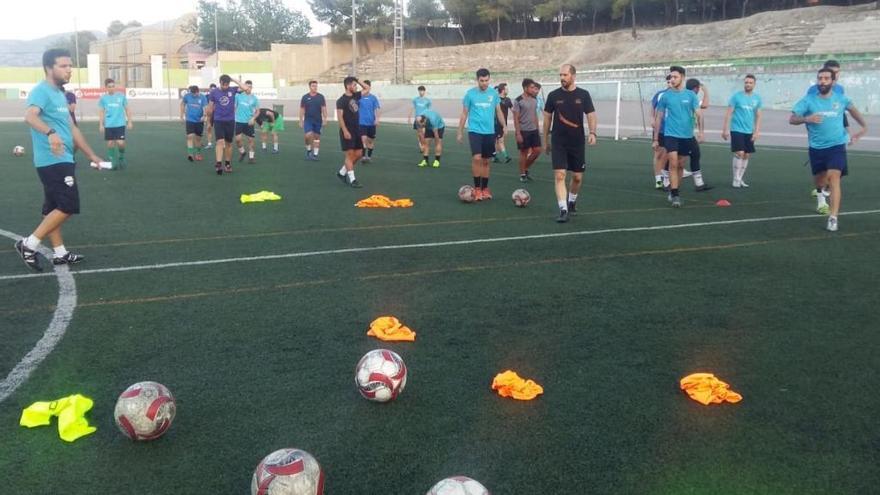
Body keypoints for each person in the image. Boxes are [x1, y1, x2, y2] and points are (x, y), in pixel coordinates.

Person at [14, 48, 104, 271]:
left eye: (70, 66)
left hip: (63, 157)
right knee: (68, 205)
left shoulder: (60, 94)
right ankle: (29, 244)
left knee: (52, 208)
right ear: (49, 68)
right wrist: (50, 133)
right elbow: (29, 116)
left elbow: (71, 127)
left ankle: (60, 253)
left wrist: (91, 155)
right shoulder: (42, 91)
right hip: (51, 159)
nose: (69, 70)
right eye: (63, 66)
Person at [790, 67, 867, 231]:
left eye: (826, 78)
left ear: (833, 81)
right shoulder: (808, 100)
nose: (822, 81)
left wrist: (864, 127)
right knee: (820, 181)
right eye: (820, 78)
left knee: (834, 178)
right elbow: (792, 119)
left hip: (836, 146)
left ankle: (833, 217)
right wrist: (806, 118)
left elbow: (854, 112)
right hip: (816, 148)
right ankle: (820, 194)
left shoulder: (842, 99)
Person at [543, 64, 597, 223]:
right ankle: (563, 209)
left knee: (577, 177)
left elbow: (591, 115)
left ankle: (572, 201)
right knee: (560, 175)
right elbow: (547, 118)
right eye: (560, 75)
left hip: (577, 141)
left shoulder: (584, 95)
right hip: (558, 141)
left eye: (565, 75)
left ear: (573, 76)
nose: (562, 78)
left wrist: (593, 132)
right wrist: (545, 140)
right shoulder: (553, 96)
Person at [653, 66, 702, 208]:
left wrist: (701, 131)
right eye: (671, 77)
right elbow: (659, 117)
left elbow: (699, 113)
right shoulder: (666, 96)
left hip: (686, 136)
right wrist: (656, 138)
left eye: (675, 77)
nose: (672, 79)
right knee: (673, 162)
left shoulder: (691, 95)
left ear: (682, 77)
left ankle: (674, 190)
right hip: (670, 135)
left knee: (680, 164)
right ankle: (675, 195)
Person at [457, 68, 505, 201]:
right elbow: (464, 113)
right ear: (477, 80)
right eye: (482, 81)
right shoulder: (470, 94)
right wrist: (460, 131)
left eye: (486, 80)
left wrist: (504, 125)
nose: (484, 83)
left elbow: (498, 111)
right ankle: (477, 188)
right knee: (477, 158)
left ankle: (485, 189)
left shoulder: (493, 94)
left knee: (486, 161)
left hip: (489, 132)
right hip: (475, 131)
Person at [722, 74, 762, 188]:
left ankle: (740, 178)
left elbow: (759, 116)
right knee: (739, 153)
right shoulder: (736, 97)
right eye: (746, 82)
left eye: (750, 83)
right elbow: (729, 113)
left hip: (749, 130)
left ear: (754, 84)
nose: (748, 84)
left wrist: (757, 131)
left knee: (746, 155)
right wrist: (725, 129)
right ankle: (736, 179)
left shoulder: (757, 99)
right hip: (736, 129)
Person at [207, 74, 241, 174]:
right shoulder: (214, 92)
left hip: (230, 120)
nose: (225, 86)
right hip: (218, 120)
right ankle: (218, 163)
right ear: (220, 82)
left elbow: (246, 89)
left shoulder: (233, 90)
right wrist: (209, 121)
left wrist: (234, 80)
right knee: (219, 142)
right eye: (223, 84)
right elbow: (210, 108)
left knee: (229, 143)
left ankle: (227, 163)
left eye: (227, 84)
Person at [336, 76, 365, 188]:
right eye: (354, 85)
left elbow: (367, 88)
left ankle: (342, 173)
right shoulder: (341, 100)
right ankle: (352, 180)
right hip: (347, 130)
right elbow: (340, 117)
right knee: (349, 155)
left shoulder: (356, 96)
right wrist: (345, 131)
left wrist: (357, 79)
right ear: (348, 86)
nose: (356, 86)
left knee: (359, 154)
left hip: (357, 129)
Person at [511, 78, 542, 182]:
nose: (534, 89)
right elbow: (515, 118)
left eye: (534, 87)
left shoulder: (534, 99)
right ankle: (523, 174)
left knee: (537, 151)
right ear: (525, 88)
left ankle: (525, 168)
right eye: (532, 87)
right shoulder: (518, 100)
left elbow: (535, 115)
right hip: (523, 131)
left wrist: (537, 129)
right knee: (523, 153)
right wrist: (518, 133)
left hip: (533, 130)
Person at [97, 77, 132, 169]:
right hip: (109, 124)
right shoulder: (103, 98)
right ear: (106, 88)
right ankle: (113, 160)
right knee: (110, 143)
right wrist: (101, 124)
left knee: (120, 143)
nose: (112, 88)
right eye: (109, 87)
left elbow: (127, 109)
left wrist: (130, 122)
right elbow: (101, 112)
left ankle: (121, 157)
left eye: (113, 86)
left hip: (120, 124)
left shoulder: (121, 96)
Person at [651, 75, 672, 189]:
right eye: (668, 81)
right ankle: (658, 180)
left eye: (672, 80)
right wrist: (652, 118)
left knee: (670, 155)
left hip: (673, 130)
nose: (670, 83)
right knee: (659, 154)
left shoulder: (680, 95)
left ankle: (666, 180)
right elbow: (653, 107)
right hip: (661, 129)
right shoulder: (660, 95)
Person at [234, 80, 260, 164]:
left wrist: (253, 118)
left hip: (249, 122)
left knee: (251, 140)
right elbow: (234, 107)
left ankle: (251, 157)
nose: (248, 88)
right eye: (247, 86)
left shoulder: (255, 98)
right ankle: (242, 152)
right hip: (239, 121)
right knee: (237, 140)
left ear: (252, 88)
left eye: (250, 87)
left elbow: (258, 111)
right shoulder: (238, 96)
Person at [299, 80, 326, 161]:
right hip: (308, 120)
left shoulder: (321, 97)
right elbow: (302, 109)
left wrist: (325, 118)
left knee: (317, 137)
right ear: (309, 87)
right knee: (307, 135)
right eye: (313, 86)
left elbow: (324, 108)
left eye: (316, 86)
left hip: (318, 120)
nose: (315, 87)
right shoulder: (305, 97)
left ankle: (315, 155)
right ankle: (308, 150)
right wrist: (301, 120)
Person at [180, 85, 208, 162]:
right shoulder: (187, 96)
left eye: (195, 93)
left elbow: (206, 107)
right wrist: (181, 116)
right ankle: (190, 154)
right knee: (189, 136)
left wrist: (204, 115)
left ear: (198, 91)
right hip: (190, 120)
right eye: (193, 93)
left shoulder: (203, 97)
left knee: (198, 139)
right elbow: (182, 104)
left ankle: (198, 153)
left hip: (199, 121)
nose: (194, 95)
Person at [358, 80, 381, 163]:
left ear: (369, 87)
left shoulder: (373, 98)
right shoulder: (359, 97)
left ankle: (369, 157)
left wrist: (377, 119)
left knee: (370, 142)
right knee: (363, 139)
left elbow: (377, 108)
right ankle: (363, 157)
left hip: (371, 123)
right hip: (361, 123)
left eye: (366, 87)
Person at [408, 85, 432, 158]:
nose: (421, 92)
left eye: (422, 91)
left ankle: (424, 146)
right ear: (418, 91)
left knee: (424, 133)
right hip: (417, 119)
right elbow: (412, 108)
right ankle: (422, 146)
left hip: (424, 119)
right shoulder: (415, 100)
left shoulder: (428, 101)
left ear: (424, 91)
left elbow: (429, 110)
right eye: (420, 91)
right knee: (419, 134)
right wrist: (409, 117)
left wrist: (429, 118)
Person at [493, 83, 513, 164]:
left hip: (504, 123)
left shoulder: (508, 100)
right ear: (503, 90)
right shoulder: (496, 99)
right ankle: (506, 156)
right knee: (499, 140)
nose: (508, 90)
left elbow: (513, 110)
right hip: (496, 123)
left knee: (499, 140)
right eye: (506, 89)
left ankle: (494, 156)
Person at [204, 83, 217, 149]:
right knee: (208, 128)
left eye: (214, 89)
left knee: (219, 130)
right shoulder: (206, 96)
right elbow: (206, 106)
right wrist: (206, 115)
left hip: (218, 115)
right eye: (211, 89)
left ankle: (221, 144)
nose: (212, 91)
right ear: (209, 89)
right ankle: (209, 144)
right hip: (210, 115)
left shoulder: (218, 95)